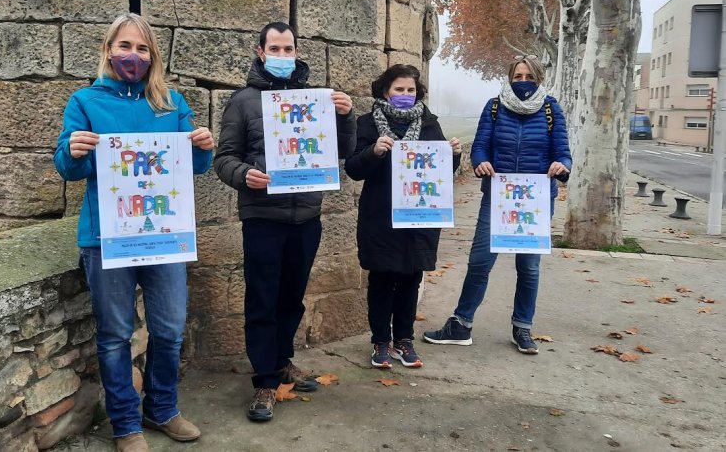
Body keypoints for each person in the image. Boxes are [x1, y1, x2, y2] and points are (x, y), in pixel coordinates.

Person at [53, 14, 214, 452]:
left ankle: (162, 408)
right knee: (114, 334)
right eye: (125, 46)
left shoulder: (171, 102)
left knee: (169, 329)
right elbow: (68, 168)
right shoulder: (84, 100)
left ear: (153, 56)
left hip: (163, 235)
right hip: (106, 237)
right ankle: (125, 424)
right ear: (108, 51)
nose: (133, 56)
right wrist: (73, 150)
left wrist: (203, 146)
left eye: (142, 49)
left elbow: (195, 167)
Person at [214, 21, 356, 422]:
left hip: (306, 215)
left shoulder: (315, 98)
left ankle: (281, 362)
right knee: (262, 298)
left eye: (287, 49)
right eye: (274, 49)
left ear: (296, 51)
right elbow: (224, 159)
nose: (281, 56)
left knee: (291, 296)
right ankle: (264, 381)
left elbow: (342, 152)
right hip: (262, 216)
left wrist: (345, 116)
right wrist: (244, 176)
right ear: (261, 52)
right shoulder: (243, 101)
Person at [423, 55, 571, 355]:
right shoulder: (494, 107)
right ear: (509, 78)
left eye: (529, 77)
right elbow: (479, 146)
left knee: (528, 267)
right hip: (498, 196)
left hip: (535, 201)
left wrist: (561, 166)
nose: (523, 82)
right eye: (517, 77)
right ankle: (461, 324)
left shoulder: (551, 109)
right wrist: (480, 163)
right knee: (480, 262)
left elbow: (563, 152)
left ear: (538, 78)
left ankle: (522, 327)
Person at [345, 64, 462, 370]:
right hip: (381, 217)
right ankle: (381, 342)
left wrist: (455, 155)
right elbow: (353, 169)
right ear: (386, 90)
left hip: (418, 217)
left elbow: (441, 173)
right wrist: (375, 152)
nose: (405, 95)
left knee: (411, 278)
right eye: (399, 89)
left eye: (410, 90)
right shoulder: (368, 124)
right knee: (382, 278)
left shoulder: (429, 124)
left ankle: (404, 341)